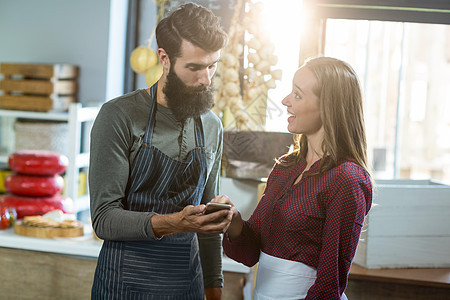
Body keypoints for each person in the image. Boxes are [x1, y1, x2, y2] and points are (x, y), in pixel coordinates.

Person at [89, 3, 233, 299]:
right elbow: (104, 218)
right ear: (164, 58)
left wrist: (214, 290)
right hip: (123, 285)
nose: (206, 79)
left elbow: (208, 229)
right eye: (194, 67)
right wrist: (178, 222)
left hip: (187, 287)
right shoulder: (119, 116)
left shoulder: (212, 126)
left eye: (212, 65)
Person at [212, 57, 373, 299]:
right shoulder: (286, 166)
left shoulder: (347, 179)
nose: (285, 101)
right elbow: (249, 254)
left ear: (328, 106)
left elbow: (329, 285)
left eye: (297, 95)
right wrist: (234, 221)